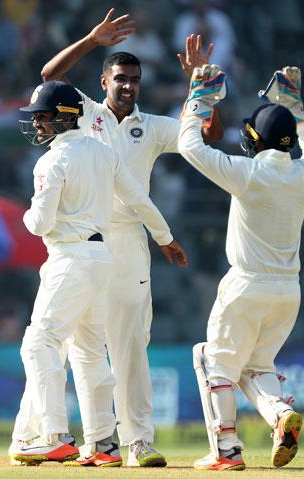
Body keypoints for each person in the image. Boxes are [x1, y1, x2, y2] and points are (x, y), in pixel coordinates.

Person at [37, 8, 219, 467]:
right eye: (120, 78)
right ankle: (91, 440)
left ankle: (138, 440)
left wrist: (199, 85)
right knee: (79, 344)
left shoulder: (153, 126)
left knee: (129, 345)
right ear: (104, 82)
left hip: (130, 243)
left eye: (134, 79)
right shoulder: (84, 115)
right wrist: (91, 41)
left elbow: (202, 136)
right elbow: (48, 76)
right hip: (84, 242)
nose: (128, 86)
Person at [8, 80, 187, 467]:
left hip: (69, 257)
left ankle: (54, 435)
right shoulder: (104, 154)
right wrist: (166, 237)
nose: (37, 123)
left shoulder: (51, 162)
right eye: (35, 117)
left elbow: (39, 224)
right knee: (89, 352)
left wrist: (24, 212)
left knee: (39, 343)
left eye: (43, 116)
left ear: (67, 116)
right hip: (101, 258)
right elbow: (139, 198)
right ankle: (103, 443)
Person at [178, 65, 304, 470]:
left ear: (255, 140)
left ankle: (226, 450)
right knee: (255, 367)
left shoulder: (246, 173)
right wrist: (296, 106)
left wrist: (200, 96)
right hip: (287, 292)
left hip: (246, 286)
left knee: (212, 361)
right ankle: (280, 414)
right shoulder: (303, 173)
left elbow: (190, 147)